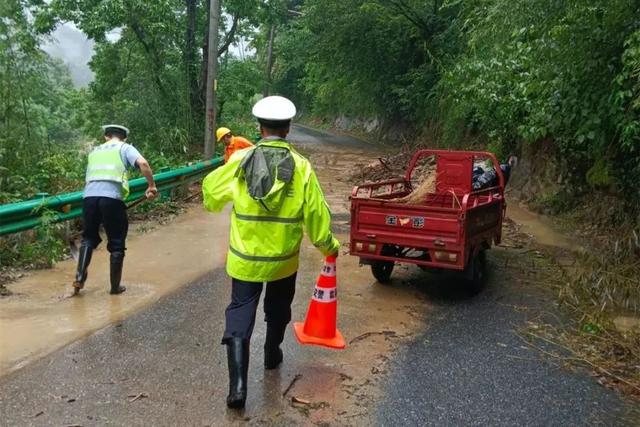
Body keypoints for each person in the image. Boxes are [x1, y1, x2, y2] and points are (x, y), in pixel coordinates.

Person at [202, 96, 340, 409]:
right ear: (289, 128)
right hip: (282, 261)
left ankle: (237, 387)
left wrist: (221, 202)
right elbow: (318, 220)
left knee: (240, 311)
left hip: (245, 260)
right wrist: (329, 247)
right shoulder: (302, 168)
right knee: (278, 309)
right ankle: (271, 354)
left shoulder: (240, 161)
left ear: (259, 128)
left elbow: (210, 193)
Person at [72, 124, 158, 295]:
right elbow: (143, 163)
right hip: (111, 199)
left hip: (89, 198)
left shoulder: (95, 151)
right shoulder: (125, 148)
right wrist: (151, 186)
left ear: (106, 136)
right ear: (124, 137)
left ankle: (80, 278)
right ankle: (114, 287)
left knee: (88, 238)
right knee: (117, 243)